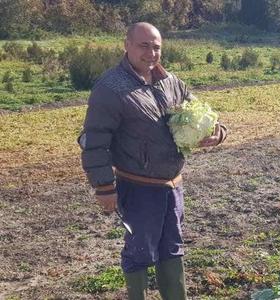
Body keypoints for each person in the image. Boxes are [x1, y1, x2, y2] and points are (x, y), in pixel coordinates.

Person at [77, 22, 227, 299]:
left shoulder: (170, 82)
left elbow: (201, 111)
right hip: (138, 188)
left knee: (173, 247)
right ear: (127, 45)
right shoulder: (111, 88)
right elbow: (95, 141)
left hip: (173, 186)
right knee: (139, 251)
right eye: (143, 45)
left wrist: (218, 132)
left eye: (156, 46)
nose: (151, 52)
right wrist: (104, 187)